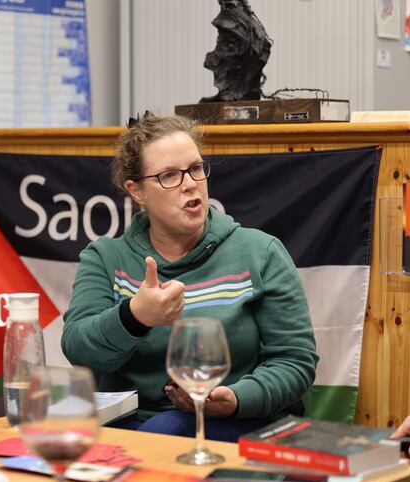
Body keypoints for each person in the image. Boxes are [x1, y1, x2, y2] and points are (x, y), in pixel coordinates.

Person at [61, 112, 318, 442]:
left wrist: (237, 398)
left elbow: (294, 362)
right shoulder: (106, 257)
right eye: (169, 175)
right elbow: (79, 349)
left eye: (196, 169)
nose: (190, 184)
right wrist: (134, 317)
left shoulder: (260, 252)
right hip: (132, 427)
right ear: (136, 191)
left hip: (244, 423)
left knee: (167, 430)